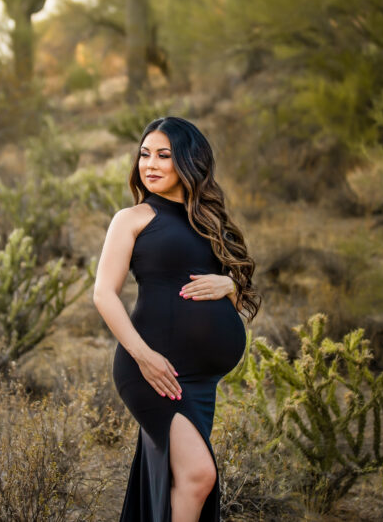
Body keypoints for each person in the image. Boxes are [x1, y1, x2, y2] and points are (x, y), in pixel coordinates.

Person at [93, 116, 260, 522]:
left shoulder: (210, 222)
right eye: (144, 154)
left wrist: (228, 286)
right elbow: (103, 293)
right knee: (199, 475)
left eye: (163, 156)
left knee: (181, 480)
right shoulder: (132, 219)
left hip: (200, 382)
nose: (149, 164)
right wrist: (143, 356)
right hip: (154, 370)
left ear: (188, 161)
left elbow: (243, 298)